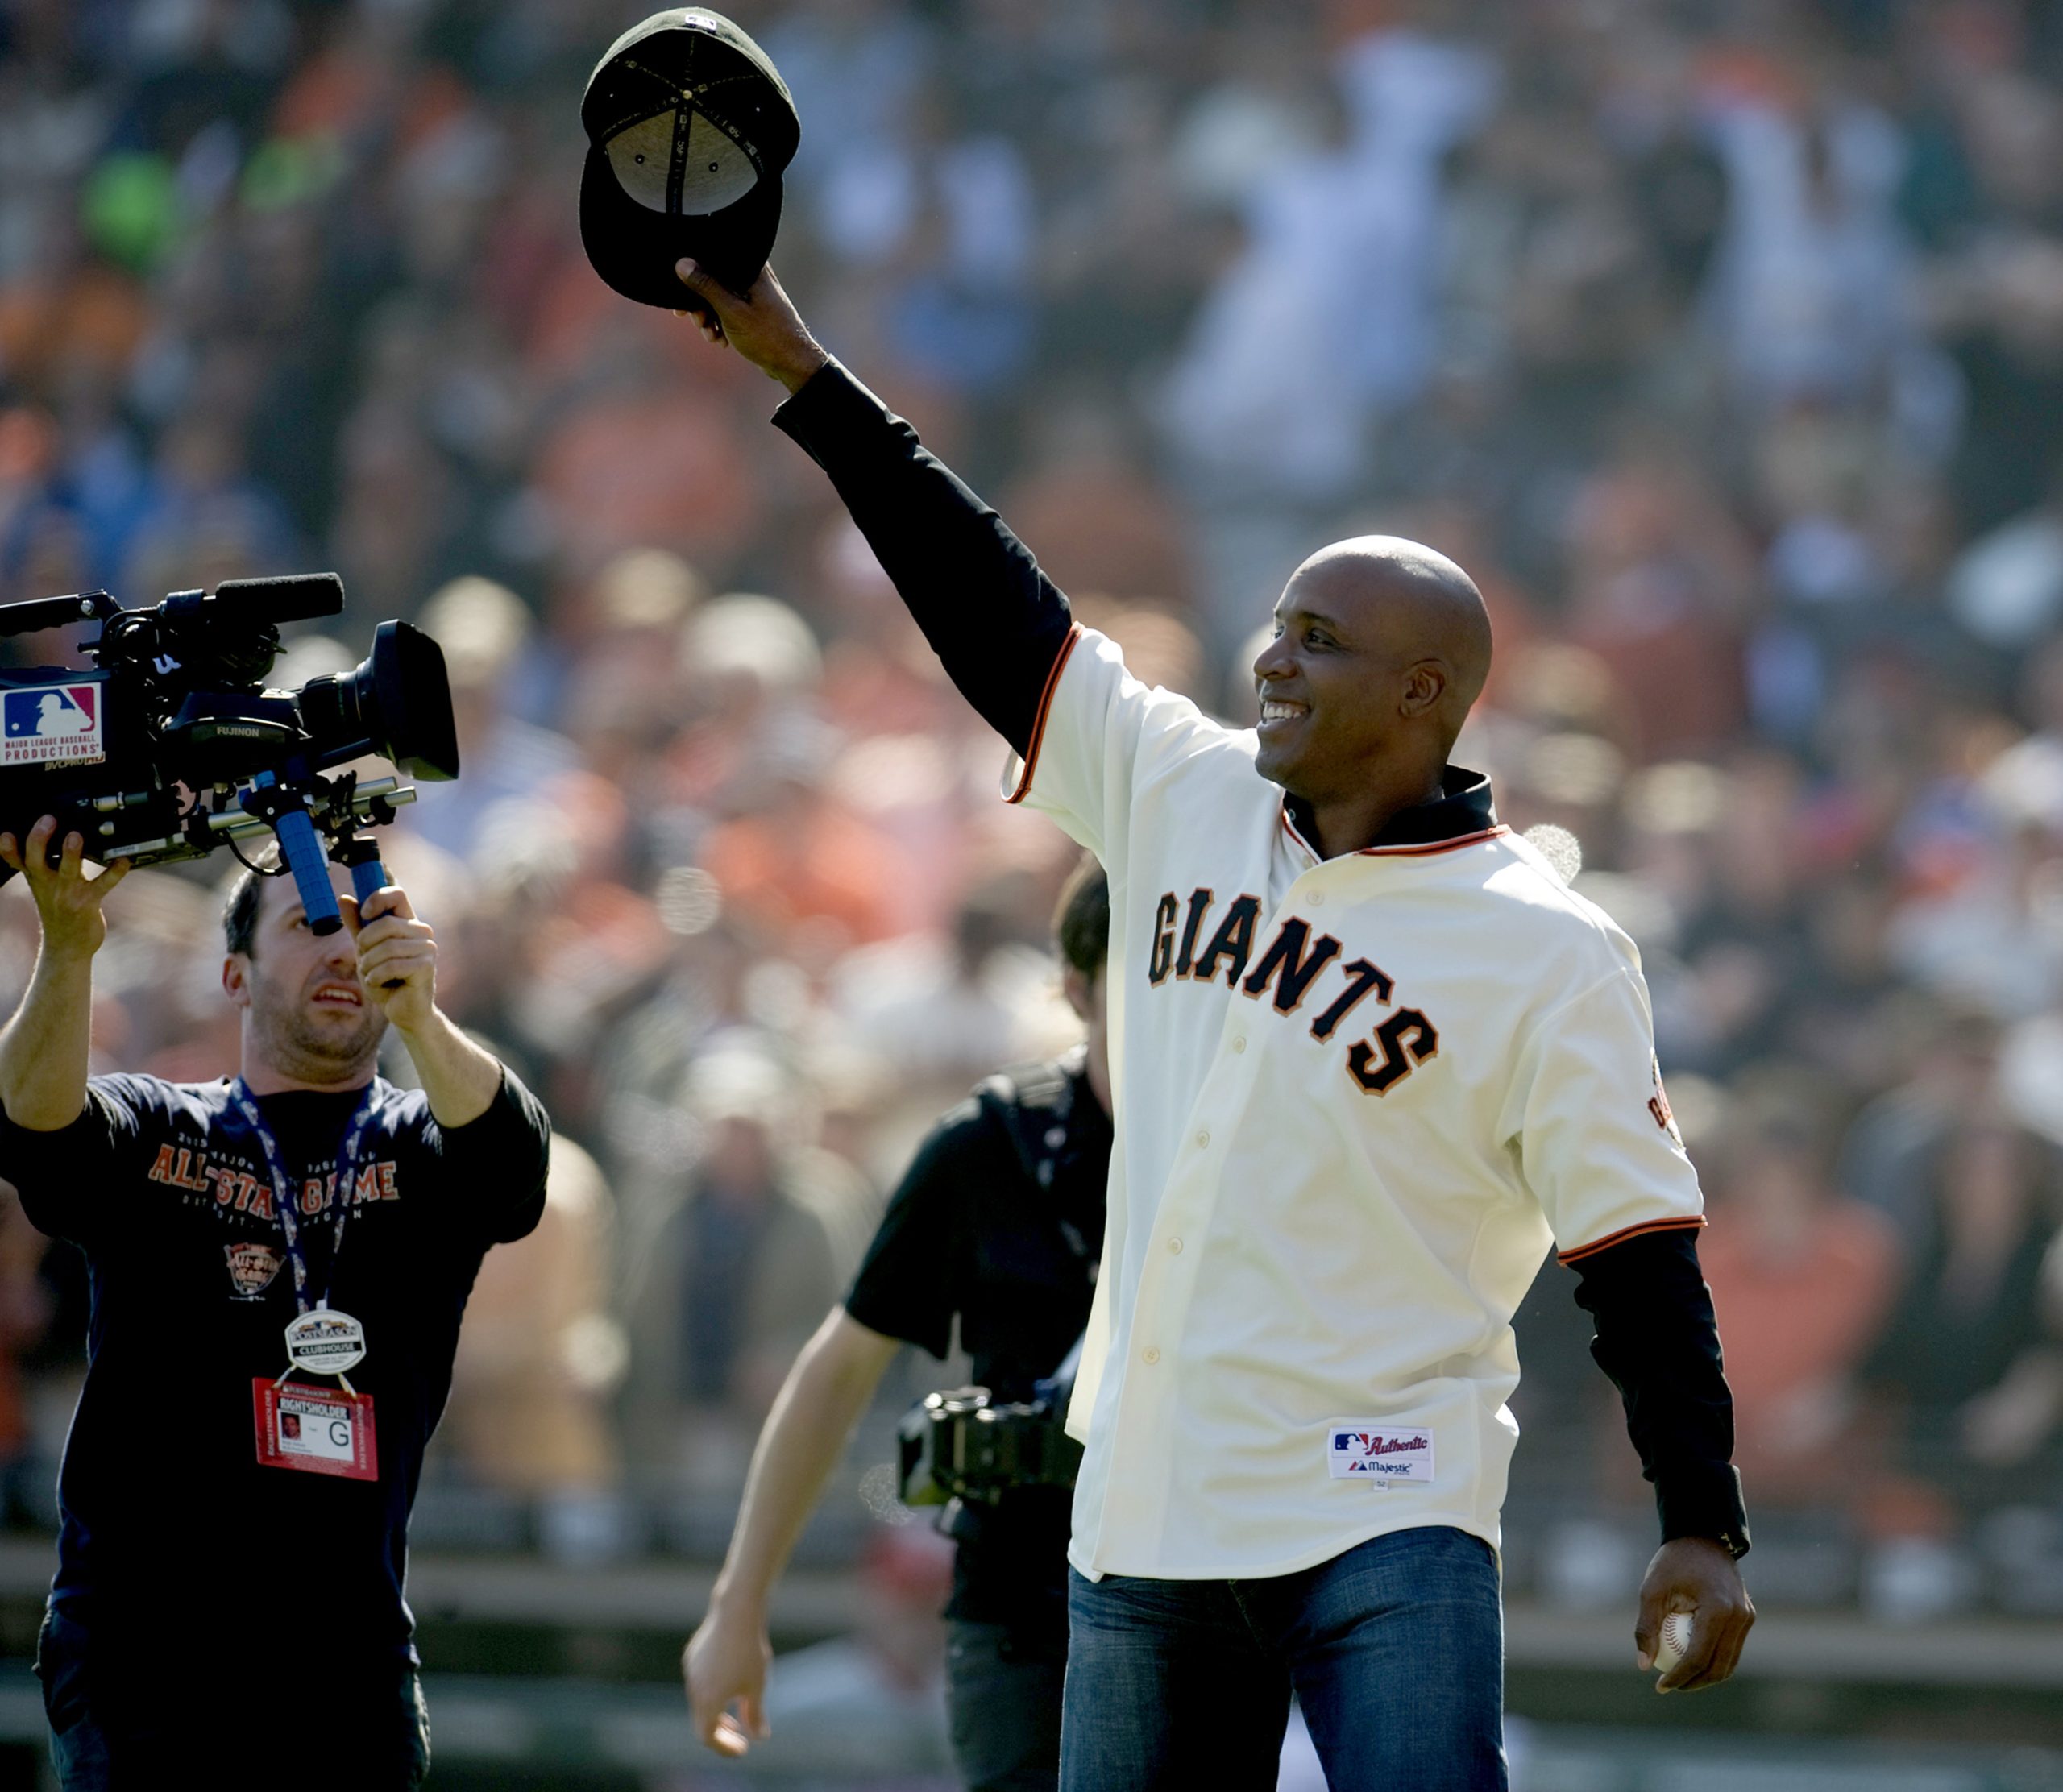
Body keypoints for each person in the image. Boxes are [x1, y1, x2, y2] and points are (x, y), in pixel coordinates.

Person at [673, 259, 1754, 1790]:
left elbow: (1639, 1258)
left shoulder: (1550, 946)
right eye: (1277, 624)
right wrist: (806, 375)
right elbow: (991, 601)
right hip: (1148, 1508)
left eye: (1318, 637)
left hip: (1388, 1506)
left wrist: (1700, 1515)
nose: (1271, 658)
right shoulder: (1183, 792)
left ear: (1425, 689)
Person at [0, 816, 551, 1789]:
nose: (343, 948)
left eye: (363, 924)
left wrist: (422, 1017)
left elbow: (515, 1165)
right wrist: (70, 949)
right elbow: (35, 1126)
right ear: (237, 974)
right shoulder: (167, 1124)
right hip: (145, 1653)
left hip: (347, 1665)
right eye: (307, 925)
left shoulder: (424, 1141)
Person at [684, 856, 1113, 1791]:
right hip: (1021, 1609)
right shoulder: (988, 1146)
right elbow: (836, 1369)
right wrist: (739, 1601)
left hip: (1208, 1607)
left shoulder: (1252, 1149)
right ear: (1077, 988)